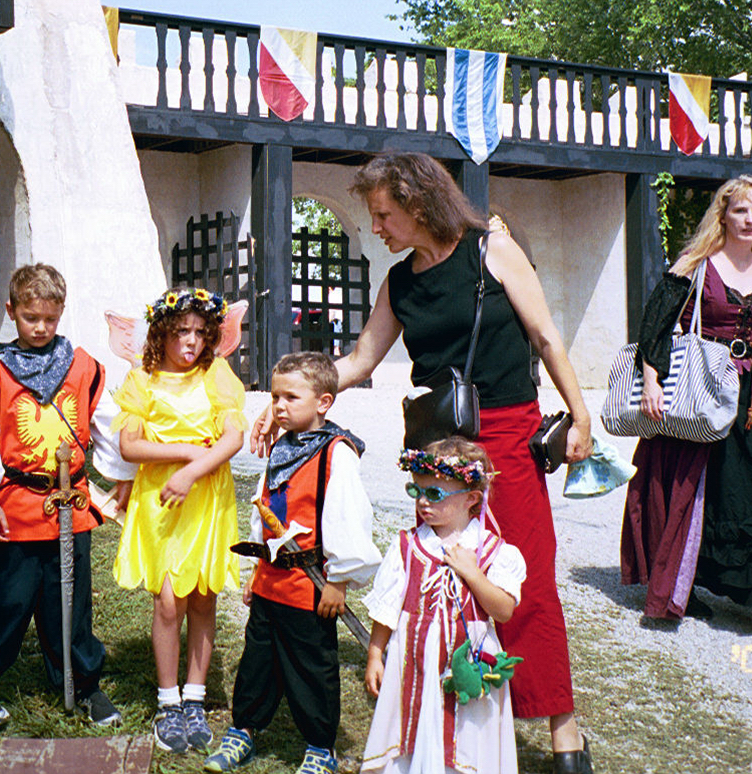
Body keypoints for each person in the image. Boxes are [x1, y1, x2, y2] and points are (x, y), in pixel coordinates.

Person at [252, 152, 595, 773]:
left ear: (418, 203)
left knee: (529, 576)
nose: (376, 228)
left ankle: (562, 728)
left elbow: (545, 336)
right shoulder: (399, 283)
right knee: (439, 577)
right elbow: (358, 361)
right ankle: (455, 708)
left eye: (383, 215)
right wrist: (290, 396)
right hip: (440, 448)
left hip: (509, 432)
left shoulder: (492, 251)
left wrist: (580, 414)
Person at [620, 176, 752, 637]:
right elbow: (655, 325)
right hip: (699, 394)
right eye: (740, 211)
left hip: (751, 402)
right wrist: (652, 382)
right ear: (723, 215)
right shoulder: (696, 264)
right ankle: (683, 585)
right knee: (693, 495)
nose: (749, 220)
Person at [0, 263, 122, 732]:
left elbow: (110, 430)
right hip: (14, 504)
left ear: (61, 312)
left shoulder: (84, 368)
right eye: (30, 318)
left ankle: (83, 684)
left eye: (49, 318)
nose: (40, 328)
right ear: (12, 313)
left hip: (71, 504)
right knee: (1, 600)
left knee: (68, 600)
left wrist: (124, 479)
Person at [205, 352, 381, 774]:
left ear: (323, 402)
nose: (278, 406)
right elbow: (263, 507)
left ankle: (320, 746)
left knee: (312, 666)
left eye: (291, 397)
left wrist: (338, 580)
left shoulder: (336, 454)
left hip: (311, 584)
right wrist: (255, 569)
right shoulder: (284, 447)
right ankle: (244, 728)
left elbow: (346, 516)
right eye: (275, 396)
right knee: (258, 659)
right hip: (271, 579)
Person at [114, 287, 246, 754]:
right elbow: (130, 446)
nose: (190, 342)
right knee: (169, 600)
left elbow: (232, 439)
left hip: (206, 494)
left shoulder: (217, 374)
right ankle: (167, 699)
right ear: (162, 334)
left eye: (199, 332)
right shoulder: (144, 379)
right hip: (162, 500)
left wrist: (194, 469)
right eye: (180, 332)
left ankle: (195, 696)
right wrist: (186, 452)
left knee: (203, 595)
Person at [361, 438, 525, 774]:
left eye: (434, 494)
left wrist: (473, 574)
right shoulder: (407, 545)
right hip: (413, 657)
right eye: (417, 491)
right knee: (411, 722)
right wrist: (375, 655)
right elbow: (388, 608)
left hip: (466, 656)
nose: (422, 502)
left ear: (471, 499)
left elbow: (503, 610)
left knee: (463, 735)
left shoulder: (491, 551)